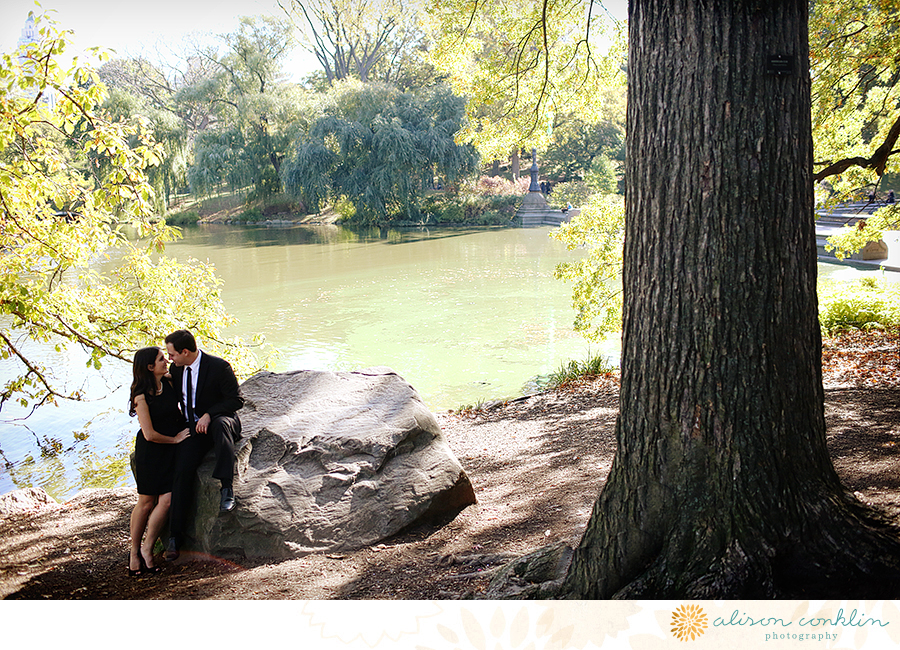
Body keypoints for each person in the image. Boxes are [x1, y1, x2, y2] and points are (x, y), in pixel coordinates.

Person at [164, 329, 243, 560]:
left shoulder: (219, 367)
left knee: (220, 426)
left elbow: (236, 400)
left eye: (172, 354)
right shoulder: (176, 370)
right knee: (183, 469)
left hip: (221, 420)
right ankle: (174, 536)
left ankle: (226, 488)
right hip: (194, 428)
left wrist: (209, 413)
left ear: (185, 351)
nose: (170, 359)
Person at [128, 347, 190, 576]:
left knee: (166, 500)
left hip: (171, 451)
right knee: (146, 502)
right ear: (149, 367)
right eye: (161, 359)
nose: (167, 361)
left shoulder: (168, 381)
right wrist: (174, 439)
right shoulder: (140, 395)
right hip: (152, 451)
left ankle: (147, 548)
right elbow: (149, 434)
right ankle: (133, 552)